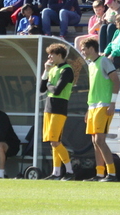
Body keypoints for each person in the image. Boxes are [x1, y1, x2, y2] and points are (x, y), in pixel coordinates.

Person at [79, 37, 120, 182]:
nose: (82, 51)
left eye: (83, 49)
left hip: (104, 105)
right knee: (95, 141)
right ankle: (100, 174)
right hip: (93, 106)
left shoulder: (104, 61)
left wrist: (112, 103)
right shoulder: (91, 65)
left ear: (91, 48)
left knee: (100, 140)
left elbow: (116, 80)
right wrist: (88, 108)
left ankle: (112, 174)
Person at [40, 43, 75, 180]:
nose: (49, 57)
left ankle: (69, 171)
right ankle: (56, 172)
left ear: (59, 55)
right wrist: (46, 72)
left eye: (51, 54)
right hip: (49, 107)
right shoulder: (53, 69)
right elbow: (42, 89)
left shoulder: (67, 70)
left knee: (55, 141)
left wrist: (49, 85)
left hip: (59, 108)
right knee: (53, 142)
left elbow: (57, 90)